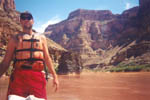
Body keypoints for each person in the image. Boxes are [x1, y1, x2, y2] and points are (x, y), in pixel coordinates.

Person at [0, 11, 59, 100]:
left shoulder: (42, 38)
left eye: (29, 18)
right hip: (19, 78)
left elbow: (47, 58)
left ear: (33, 21)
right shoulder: (14, 39)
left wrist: (55, 76)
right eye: (23, 18)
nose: (26, 20)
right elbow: (6, 61)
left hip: (38, 78)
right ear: (20, 21)